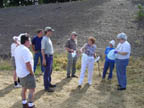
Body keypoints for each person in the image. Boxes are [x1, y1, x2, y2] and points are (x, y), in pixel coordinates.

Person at [15, 34, 36, 108]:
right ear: (26, 41)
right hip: (27, 73)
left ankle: (24, 103)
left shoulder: (17, 48)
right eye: (29, 40)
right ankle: (31, 105)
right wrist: (32, 72)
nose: (30, 42)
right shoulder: (25, 50)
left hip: (20, 73)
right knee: (32, 89)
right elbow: (28, 63)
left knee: (24, 88)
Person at [41, 26, 56, 92]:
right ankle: (46, 87)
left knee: (50, 71)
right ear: (47, 31)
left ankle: (49, 83)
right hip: (47, 57)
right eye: (50, 31)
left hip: (50, 56)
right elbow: (42, 49)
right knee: (47, 72)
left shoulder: (48, 38)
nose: (51, 32)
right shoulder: (44, 39)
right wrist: (44, 59)